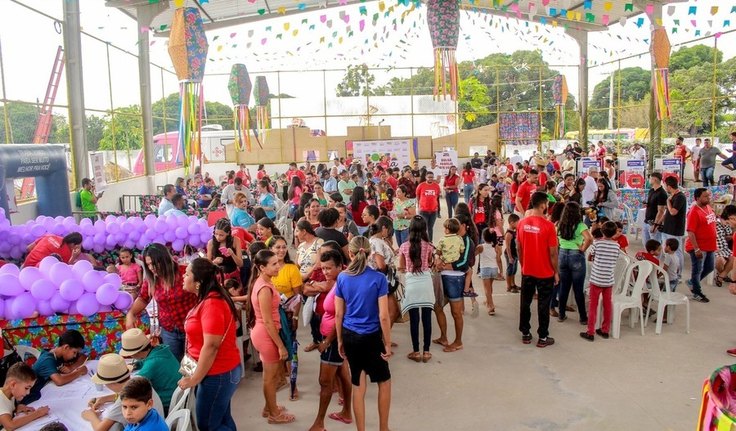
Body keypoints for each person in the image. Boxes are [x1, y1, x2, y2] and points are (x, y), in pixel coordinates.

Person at [335, 236, 392, 431]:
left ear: (350, 254)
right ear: (369, 254)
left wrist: (340, 339)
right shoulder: (379, 278)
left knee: (358, 385)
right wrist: (387, 343)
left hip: (351, 335)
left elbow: (338, 313)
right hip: (372, 336)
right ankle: (383, 428)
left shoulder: (342, 277)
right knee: (384, 382)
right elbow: (384, 316)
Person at [177, 258, 241, 430]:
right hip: (214, 371)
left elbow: (211, 346)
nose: (183, 276)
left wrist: (195, 378)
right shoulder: (206, 299)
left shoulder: (212, 303)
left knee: (208, 425)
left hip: (217, 373)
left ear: (198, 282)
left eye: (187, 274)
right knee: (222, 419)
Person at [125, 243, 198, 362]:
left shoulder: (184, 271)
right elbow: (143, 298)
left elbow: (202, 294)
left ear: (164, 259)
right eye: (148, 264)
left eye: (154, 263)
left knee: (191, 365)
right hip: (169, 331)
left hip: (191, 328)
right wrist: (131, 313)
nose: (151, 267)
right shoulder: (150, 279)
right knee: (174, 365)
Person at [307, 250, 353, 431]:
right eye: (323, 268)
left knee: (325, 382)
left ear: (340, 267)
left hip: (333, 340)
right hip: (333, 338)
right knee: (342, 374)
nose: (325, 272)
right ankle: (347, 412)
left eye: (329, 268)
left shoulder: (342, 284)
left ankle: (319, 423)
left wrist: (327, 340)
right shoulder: (338, 282)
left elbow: (341, 317)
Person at [249, 249, 295, 424]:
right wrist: (281, 346)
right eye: (274, 264)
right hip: (266, 334)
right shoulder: (264, 288)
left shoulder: (263, 282)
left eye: (278, 262)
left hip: (266, 332)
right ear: (262, 267)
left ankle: (270, 407)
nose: (278, 267)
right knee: (271, 377)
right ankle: (274, 414)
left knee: (271, 376)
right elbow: (268, 321)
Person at [517, 192, 559, 348]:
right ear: (543, 205)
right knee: (543, 304)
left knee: (525, 302)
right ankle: (543, 336)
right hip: (545, 272)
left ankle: (526, 333)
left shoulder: (522, 223)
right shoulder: (549, 226)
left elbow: (519, 248)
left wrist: (523, 264)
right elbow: (553, 253)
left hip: (527, 270)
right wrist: (556, 272)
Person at [82, 355, 165, 431]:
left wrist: (91, 416)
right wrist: (104, 399)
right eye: (124, 407)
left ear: (110, 383)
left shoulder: (124, 402)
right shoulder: (139, 380)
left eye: (133, 407)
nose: (128, 413)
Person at [397, 216, 435, 362]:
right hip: (426, 282)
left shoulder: (404, 246)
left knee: (414, 320)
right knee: (427, 319)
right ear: (425, 228)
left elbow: (401, 267)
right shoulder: (429, 246)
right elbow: (430, 262)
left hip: (411, 283)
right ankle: (426, 351)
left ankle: (415, 351)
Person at [118, 329, 180, 412]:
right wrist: (134, 365)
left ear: (134, 353)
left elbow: (132, 387)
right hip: (174, 396)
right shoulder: (160, 350)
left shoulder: (152, 364)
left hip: (165, 404)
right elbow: (145, 360)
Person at [579, 221, 619, 341]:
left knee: (593, 306)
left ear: (602, 231)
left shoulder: (597, 243)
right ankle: (605, 330)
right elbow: (615, 258)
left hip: (596, 279)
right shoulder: (616, 246)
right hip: (608, 280)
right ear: (615, 233)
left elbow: (590, 257)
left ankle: (590, 332)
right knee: (607, 306)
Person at [22, 329, 87, 404]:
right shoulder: (47, 359)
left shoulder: (60, 354)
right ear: (66, 347)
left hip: (45, 390)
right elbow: (59, 381)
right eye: (74, 352)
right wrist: (79, 372)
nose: (75, 355)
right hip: (30, 398)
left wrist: (72, 367)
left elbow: (83, 357)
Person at [555, 201, 592, 323]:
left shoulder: (559, 224)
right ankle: (582, 317)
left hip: (562, 254)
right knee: (578, 288)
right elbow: (589, 239)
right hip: (576, 255)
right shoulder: (580, 225)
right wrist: (583, 248)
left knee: (564, 287)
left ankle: (561, 314)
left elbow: (556, 240)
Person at [685, 188, 717, 303]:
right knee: (697, 270)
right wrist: (696, 248)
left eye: (709, 196)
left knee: (709, 267)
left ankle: (692, 282)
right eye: (705, 196)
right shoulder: (694, 212)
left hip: (710, 246)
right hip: (699, 247)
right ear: (697, 198)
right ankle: (697, 293)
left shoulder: (708, 207)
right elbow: (691, 232)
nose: (708, 198)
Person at [1, 363, 49, 430]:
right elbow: (10, 426)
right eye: (26, 388)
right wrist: (37, 413)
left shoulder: (10, 395)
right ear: (13, 385)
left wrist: (17, 408)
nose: (28, 393)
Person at [660, 176, 687, 284]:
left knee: (677, 253)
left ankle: (678, 275)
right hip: (668, 228)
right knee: (667, 253)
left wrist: (668, 202)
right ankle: (669, 273)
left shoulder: (680, 197)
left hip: (675, 230)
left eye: (665, 185)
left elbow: (673, 212)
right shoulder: (672, 196)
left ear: (669, 186)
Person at [479, 227, 503, 316]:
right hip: (494, 269)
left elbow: (472, 255)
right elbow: (499, 260)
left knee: (487, 289)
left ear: (483, 237)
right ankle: (487, 301)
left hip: (485, 269)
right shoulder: (496, 247)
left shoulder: (481, 247)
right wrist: (501, 271)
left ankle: (491, 305)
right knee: (490, 287)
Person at [416, 171, 441, 241]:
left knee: (430, 228)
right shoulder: (421, 185)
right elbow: (418, 196)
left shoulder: (436, 186)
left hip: (433, 211)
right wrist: (420, 205)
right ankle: (423, 242)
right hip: (423, 211)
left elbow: (437, 196)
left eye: (432, 177)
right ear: (426, 177)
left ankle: (430, 243)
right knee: (424, 228)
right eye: (429, 177)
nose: (430, 178)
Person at [643, 172, 667, 247]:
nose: (648, 180)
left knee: (655, 245)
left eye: (650, 178)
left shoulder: (662, 193)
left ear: (655, 180)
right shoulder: (651, 191)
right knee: (646, 244)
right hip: (647, 220)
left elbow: (661, 211)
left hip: (654, 222)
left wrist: (655, 225)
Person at [504, 213, 521, 293]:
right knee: (509, 270)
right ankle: (508, 286)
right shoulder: (508, 234)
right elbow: (507, 247)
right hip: (509, 254)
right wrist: (510, 257)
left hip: (514, 254)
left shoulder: (514, 232)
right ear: (511, 223)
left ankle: (513, 283)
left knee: (514, 270)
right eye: (517, 222)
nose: (518, 223)